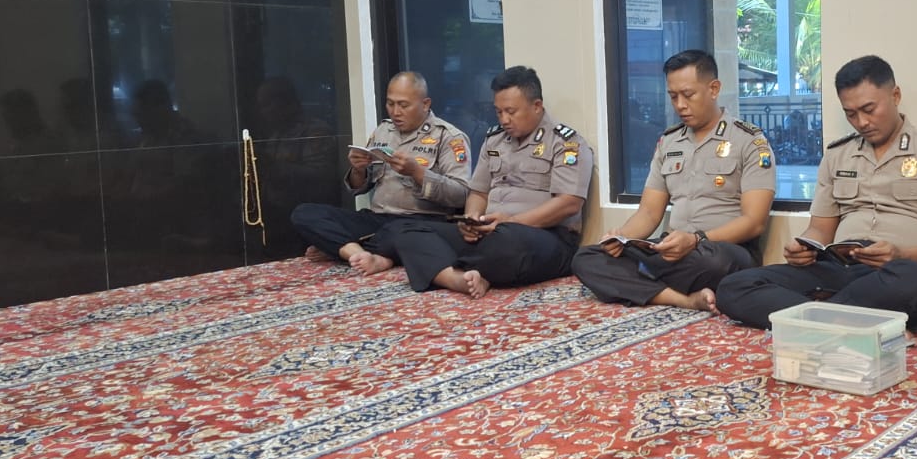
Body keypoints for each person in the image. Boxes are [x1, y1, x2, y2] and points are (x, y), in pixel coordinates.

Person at [715, 55, 917, 329]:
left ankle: (813, 318)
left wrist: (904, 255)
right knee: (735, 286)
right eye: (850, 114)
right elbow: (820, 230)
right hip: (839, 266)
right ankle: (839, 319)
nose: (862, 122)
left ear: (895, 95)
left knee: (914, 283)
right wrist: (803, 247)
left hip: (899, 270)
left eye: (869, 109)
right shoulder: (837, 154)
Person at [572, 50, 776, 312]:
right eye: (673, 96)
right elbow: (648, 213)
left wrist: (696, 239)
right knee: (588, 258)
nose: (680, 105)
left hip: (722, 250)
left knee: (714, 263)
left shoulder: (749, 141)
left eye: (688, 95)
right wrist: (622, 237)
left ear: (714, 89)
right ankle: (684, 299)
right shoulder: (669, 142)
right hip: (671, 250)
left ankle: (643, 278)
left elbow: (754, 222)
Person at [389, 66, 593, 297]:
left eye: (511, 112)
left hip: (542, 236)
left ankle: (454, 266)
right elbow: (479, 192)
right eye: (498, 112)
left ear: (536, 106)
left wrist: (512, 222)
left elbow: (569, 203)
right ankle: (457, 278)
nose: (504, 119)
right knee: (406, 229)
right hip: (490, 233)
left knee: (511, 242)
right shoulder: (494, 140)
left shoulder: (565, 143)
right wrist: (471, 220)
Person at [290, 71, 471, 274]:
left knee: (400, 233)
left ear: (425, 104)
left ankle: (342, 246)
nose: (395, 112)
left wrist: (417, 172)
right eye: (390, 104)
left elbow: (461, 195)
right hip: (378, 219)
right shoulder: (383, 131)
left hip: (420, 222)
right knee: (304, 214)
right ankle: (359, 252)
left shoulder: (449, 137)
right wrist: (358, 169)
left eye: (403, 105)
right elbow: (360, 187)